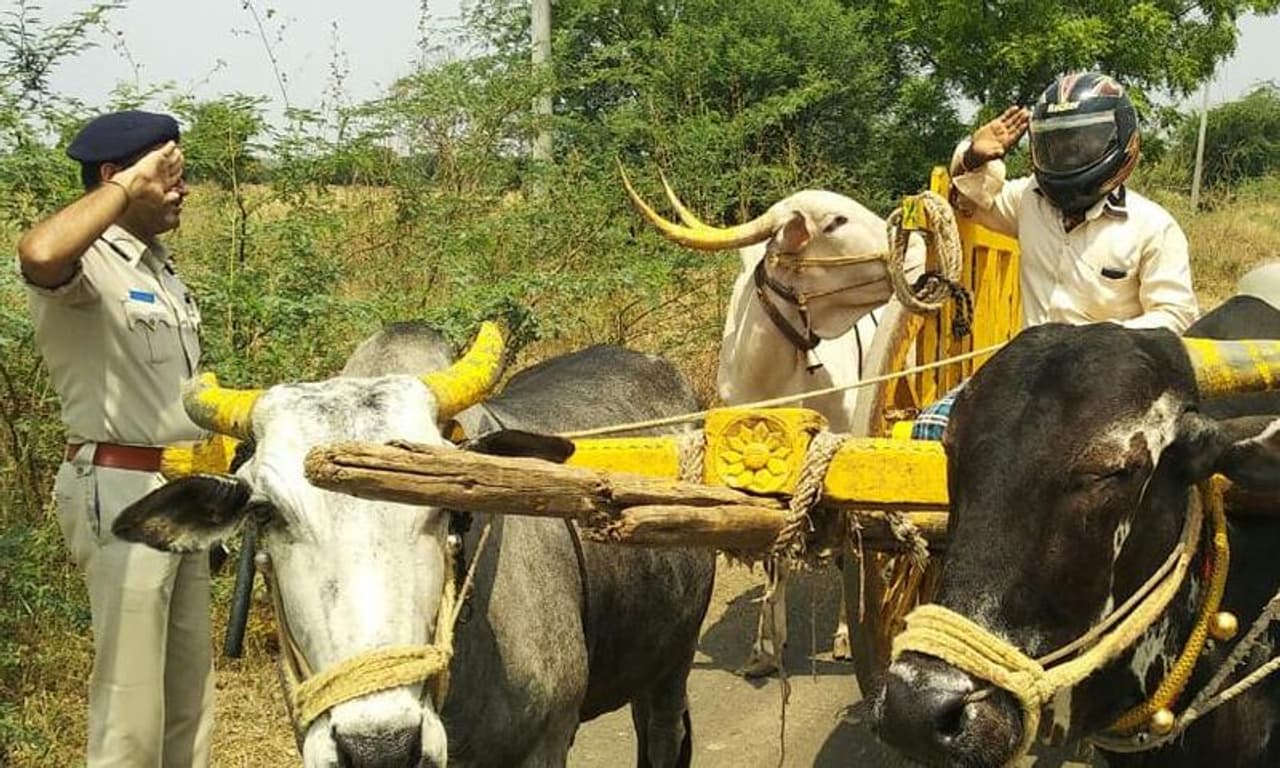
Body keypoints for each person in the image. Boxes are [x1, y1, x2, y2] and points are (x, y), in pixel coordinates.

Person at [18, 110, 212, 766]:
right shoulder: (85, 262)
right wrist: (131, 185)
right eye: (168, 176)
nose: (181, 190)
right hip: (121, 488)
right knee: (130, 703)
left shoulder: (159, 268)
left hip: (182, 491)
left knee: (187, 697)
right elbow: (37, 253)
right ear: (115, 175)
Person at [912, 72, 1201, 440]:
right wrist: (973, 155)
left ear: (1119, 142)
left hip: (1112, 381)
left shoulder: (1154, 226)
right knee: (931, 429)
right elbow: (968, 202)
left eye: (1080, 143)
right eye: (1058, 144)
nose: (1068, 154)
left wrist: (1094, 342)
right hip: (1028, 373)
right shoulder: (1028, 199)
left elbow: (1176, 316)